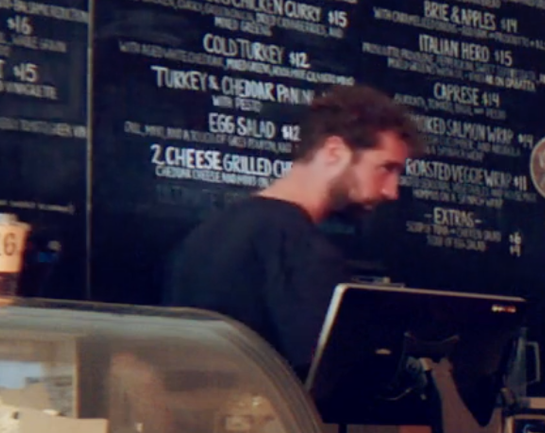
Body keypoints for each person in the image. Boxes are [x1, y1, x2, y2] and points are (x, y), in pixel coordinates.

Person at [164, 85, 418, 372]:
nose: (391, 191)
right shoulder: (298, 246)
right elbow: (326, 379)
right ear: (334, 152)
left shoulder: (206, 234)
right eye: (386, 168)